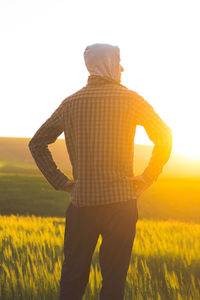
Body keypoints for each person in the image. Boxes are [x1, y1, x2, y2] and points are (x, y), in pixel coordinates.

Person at [29, 43, 172, 300]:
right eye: (118, 61)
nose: (122, 67)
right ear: (108, 63)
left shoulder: (70, 103)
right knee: (114, 281)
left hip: (82, 204)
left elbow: (36, 143)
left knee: (72, 278)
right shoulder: (131, 99)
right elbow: (165, 135)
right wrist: (148, 176)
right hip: (121, 204)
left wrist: (61, 182)